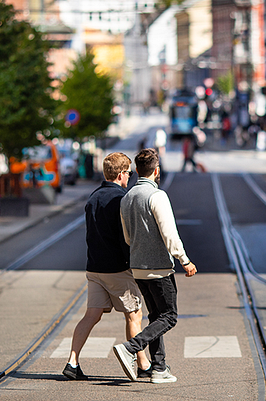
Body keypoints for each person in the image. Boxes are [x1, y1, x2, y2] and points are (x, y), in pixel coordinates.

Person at [62, 152, 151, 381]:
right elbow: (125, 238)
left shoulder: (93, 197)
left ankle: (72, 362)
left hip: (94, 268)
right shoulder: (121, 199)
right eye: (129, 173)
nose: (130, 177)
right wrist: (132, 265)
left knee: (91, 315)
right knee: (134, 315)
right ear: (121, 174)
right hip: (117, 269)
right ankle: (142, 364)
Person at [114, 148, 197, 383]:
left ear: (137, 171)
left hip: (138, 267)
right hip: (159, 267)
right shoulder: (157, 195)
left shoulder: (127, 197)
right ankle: (131, 347)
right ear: (156, 171)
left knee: (156, 316)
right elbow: (169, 234)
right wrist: (185, 260)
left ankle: (159, 368)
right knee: (169, 316)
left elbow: (127, 236)